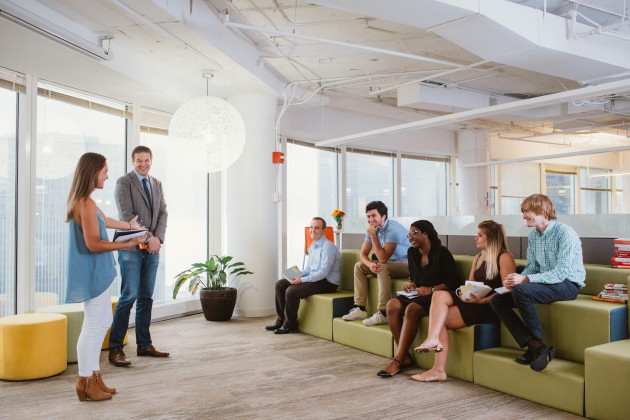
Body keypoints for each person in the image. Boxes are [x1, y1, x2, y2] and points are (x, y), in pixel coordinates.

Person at [66, 152, 147, 401]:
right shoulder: (85, 203)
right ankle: (85, 381)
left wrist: (129, 226)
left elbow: (105, 220)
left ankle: (94, 378)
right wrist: (129, 243)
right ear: (93, 173)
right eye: (104, 171)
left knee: (100, 322)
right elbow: (94, 244)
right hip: (93, 272)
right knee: (93, 326)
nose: (107, 175)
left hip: (95, 272)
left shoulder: (86, 201)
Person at [410, 220, 516, 382]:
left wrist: (483, 300)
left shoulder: (504, 257)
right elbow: (471, 284)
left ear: (492, 238)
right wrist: (462, 292)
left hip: (488, 307)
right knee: (439, 295)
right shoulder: (478, 257)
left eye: (480, 235)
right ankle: (433, 341)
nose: (476, 238)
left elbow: (507, 289)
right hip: (473, 301)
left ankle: (438, 368)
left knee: (440, 320)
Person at [490, 194, 585, 372]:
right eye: (523, 212)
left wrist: (524, 280)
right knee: (497, 300)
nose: (523, 216)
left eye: (526, 211)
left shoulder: (565, 233)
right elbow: (533, 266)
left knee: (522, 291)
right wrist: (515, 281)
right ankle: (536, 347)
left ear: (542, 211)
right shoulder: (534, 236)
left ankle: (537, 347)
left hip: (567, 284)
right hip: (544, 283)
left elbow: (560, 273)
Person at [109, 146, 169, 367]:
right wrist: (148, 238)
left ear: (151, 160)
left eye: (147, 160)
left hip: (152, 249)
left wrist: (158, 239)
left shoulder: (157, 183)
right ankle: (115, 349)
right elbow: (128, 217)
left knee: (146, 297)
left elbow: (163, 213)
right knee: (129, 296)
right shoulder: (124, 183)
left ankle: (144, 344)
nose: (143, 164)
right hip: (131, 249)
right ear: (132, 161)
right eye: (139, 161)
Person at [377, 220, 459, 378]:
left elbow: (454, 282)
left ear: (425, 234)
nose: (410, 237)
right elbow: (416, 278)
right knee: (392, 305)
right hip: (418, 294)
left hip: (435, 297)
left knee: (412, 309)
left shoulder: (442, 253)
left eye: (414, 233)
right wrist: (412, 285)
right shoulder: (412, 253)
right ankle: (405, 356)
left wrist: (432, 289)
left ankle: (398, 359)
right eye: (409, 234)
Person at [265, 217, 340, 334]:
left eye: (317, 228)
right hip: (316, 278)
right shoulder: (312, 246)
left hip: (328, 282)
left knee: (291, 291)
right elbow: (309, 269)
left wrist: (302, 280)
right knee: (280, 284)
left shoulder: (328, 247)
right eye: (311, 227)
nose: (313, 230)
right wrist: (297, 274)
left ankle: (290, 325)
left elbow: (323, 272)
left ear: (324, 230)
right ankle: (281, 320)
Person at [342, 201, 411, 326]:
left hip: (407, 264)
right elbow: (363, 254)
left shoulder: (393, 229)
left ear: (383, 216)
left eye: (374, 216)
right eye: (368, 216)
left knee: (382, 267)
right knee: (359, 266)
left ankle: (384, 313)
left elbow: (383, 259)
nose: (370, 219)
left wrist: (373, 236)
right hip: (389, 264)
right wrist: (369, 265)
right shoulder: (372, 230)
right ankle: (360, 309)